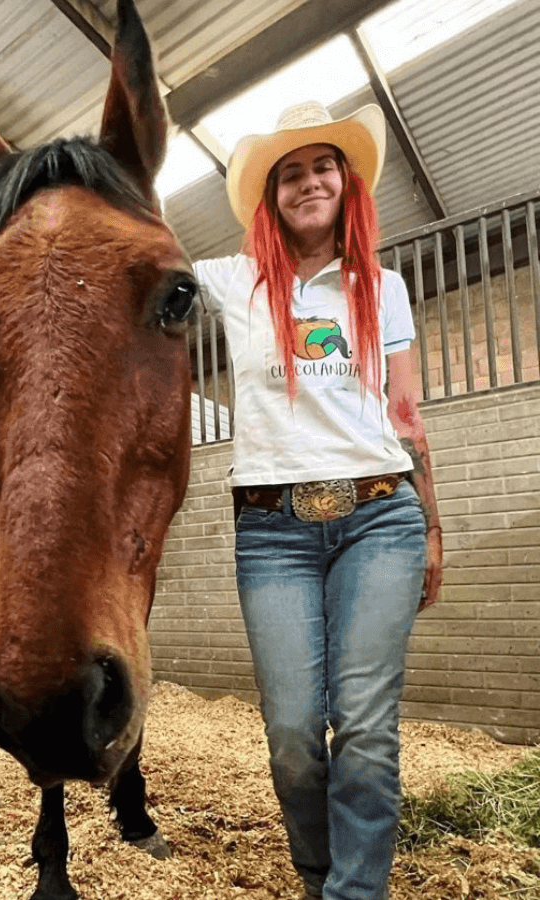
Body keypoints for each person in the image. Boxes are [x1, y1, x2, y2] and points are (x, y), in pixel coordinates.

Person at [191, 101, 444, 900]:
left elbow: (407, 417)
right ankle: (316, 873)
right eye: (290, 172)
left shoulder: (385, 287)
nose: (309, 181)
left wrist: (434, 527)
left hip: (379, 516)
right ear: (271, 194)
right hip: (272, 531)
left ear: (347, 179)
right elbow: (135, 260)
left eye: (322, 166)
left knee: (364, 727)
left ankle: (351, 893)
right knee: (294, 733)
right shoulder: (235, 283)